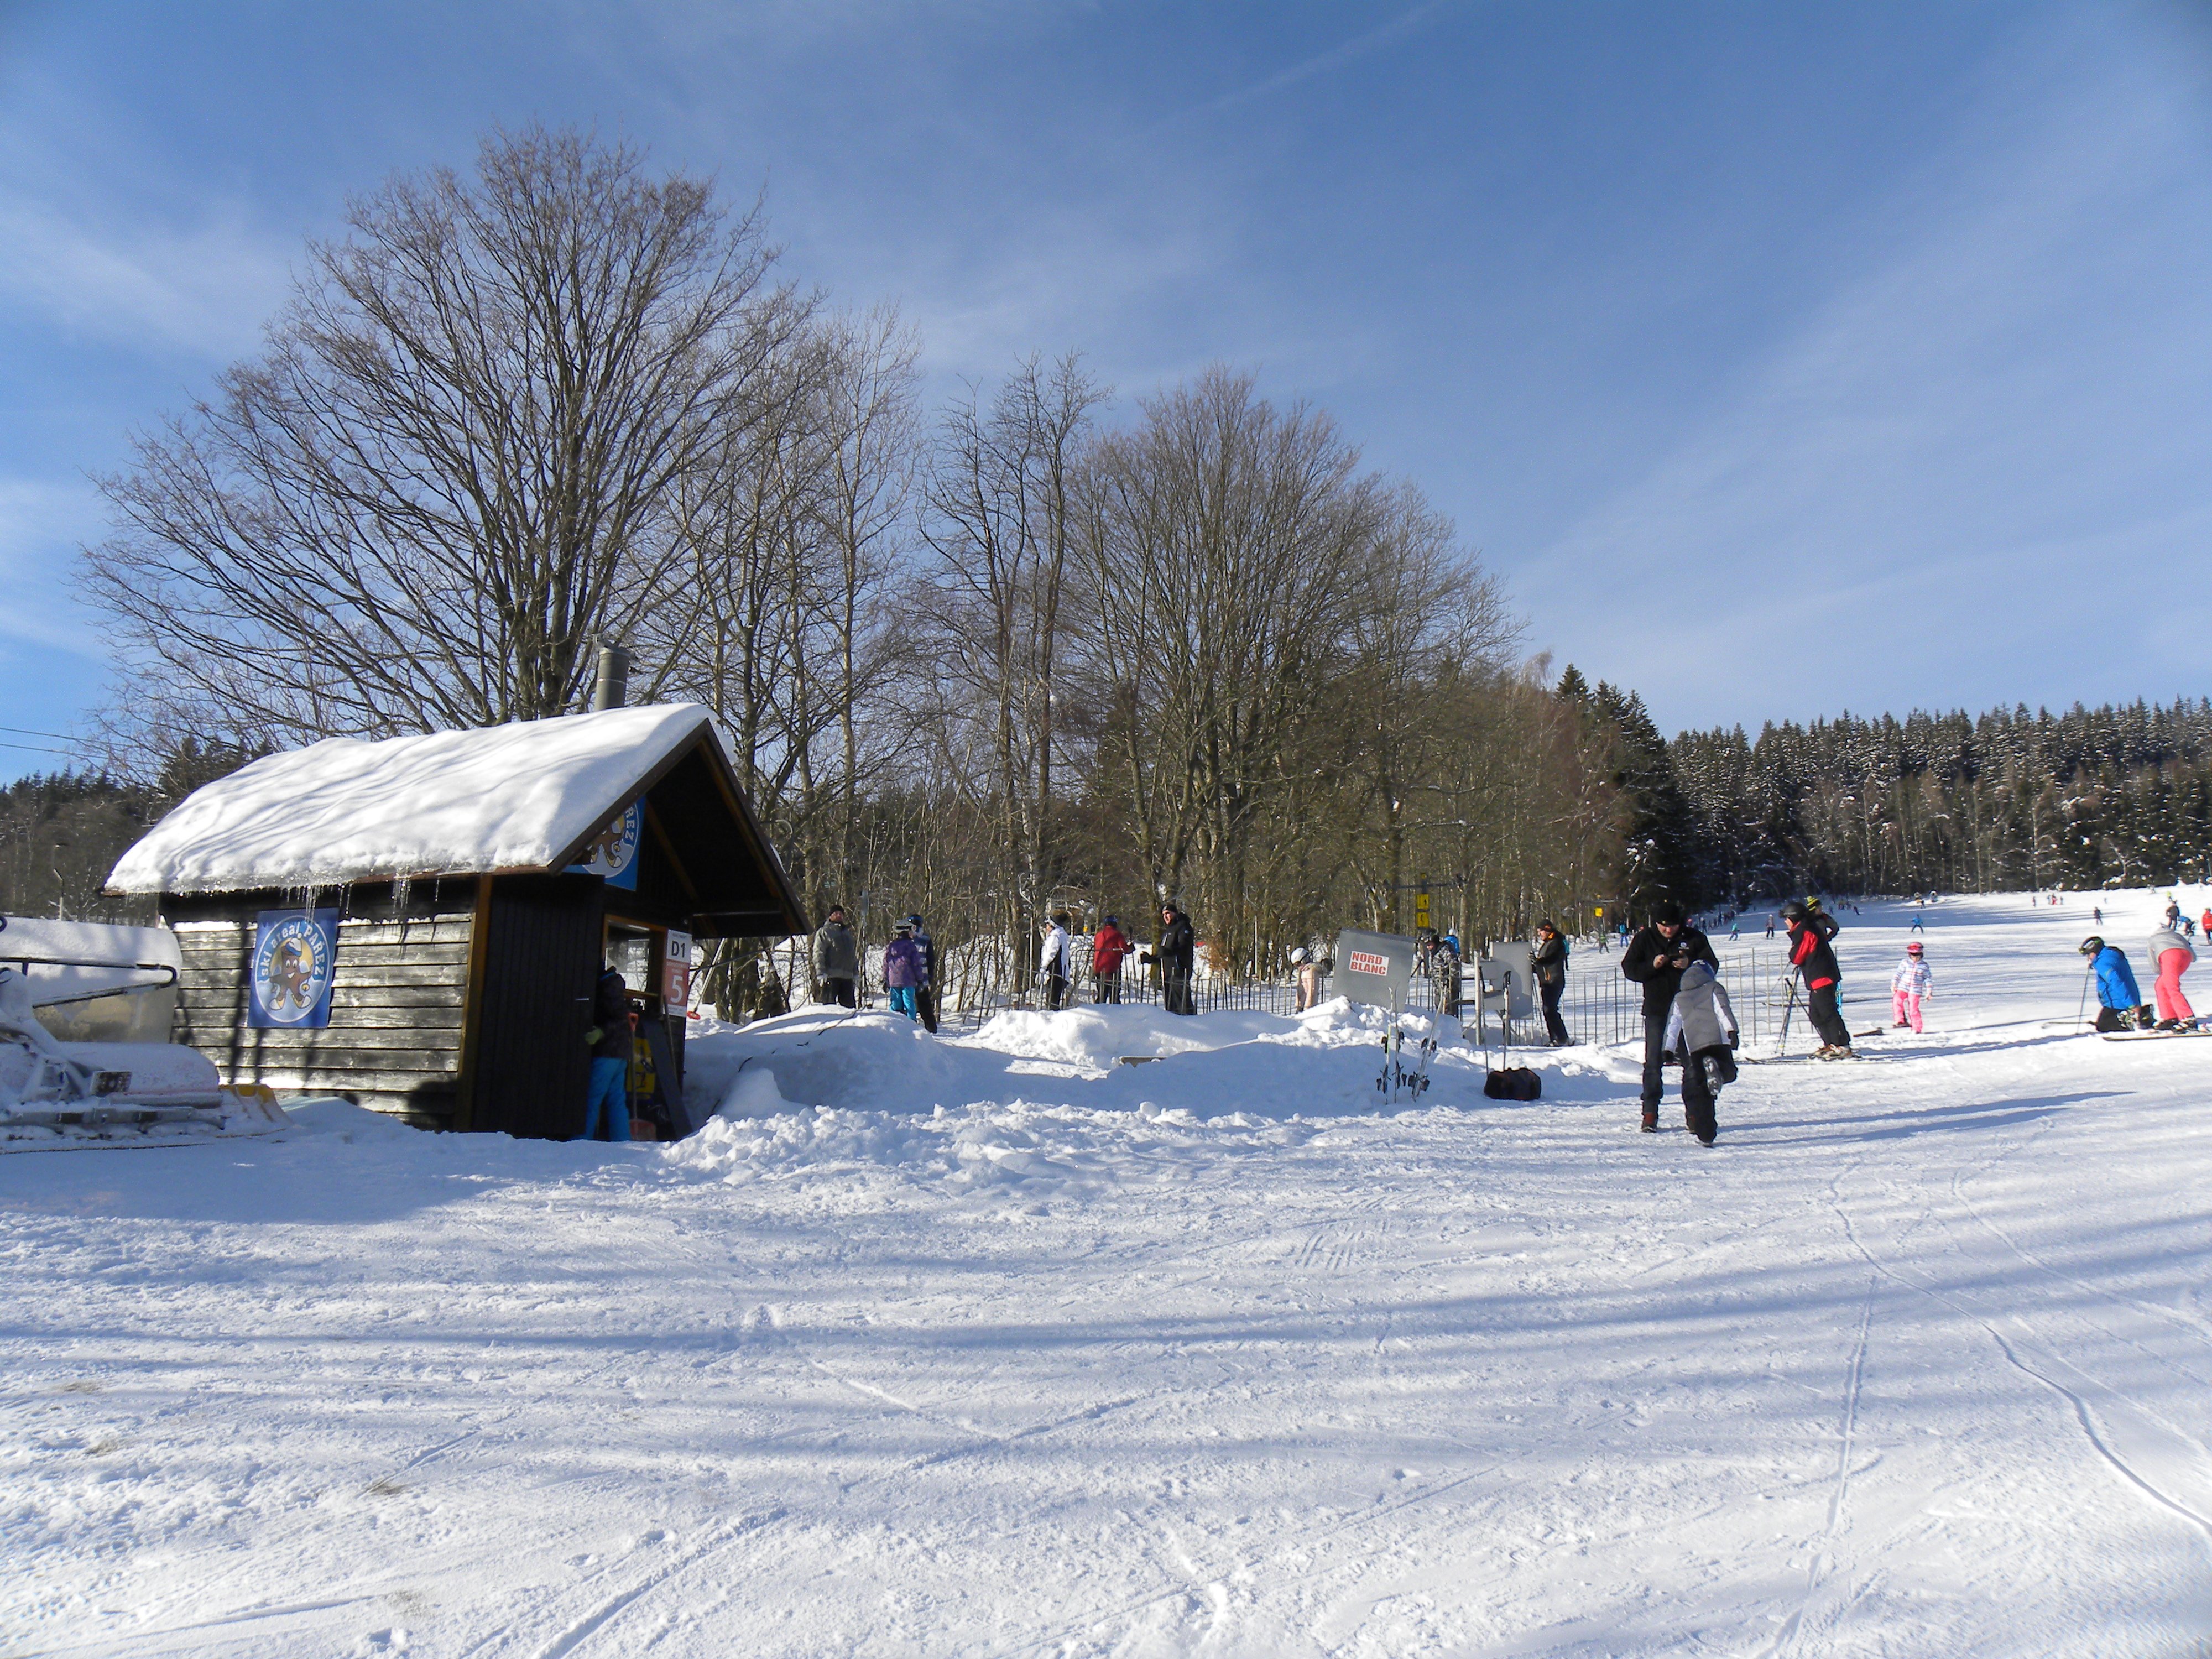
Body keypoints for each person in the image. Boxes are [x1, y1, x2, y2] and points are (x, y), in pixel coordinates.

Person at [1621, 901, 1719, 1131]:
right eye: (1663, 926)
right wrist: (1651, 966)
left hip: (1689, 1010)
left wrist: (1690, 965)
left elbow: (1711, 965)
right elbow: (1629, 968)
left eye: (1673, 926)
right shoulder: (1644, 940)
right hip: (1657, 1009)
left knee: (1692, 1063)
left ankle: (1694, 1112)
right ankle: (1650, 1111)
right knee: (1653, 1062)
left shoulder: (1695, 938)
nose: (1668, 931)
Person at [1662, 959, 1738, 1145]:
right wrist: (1732, 1031)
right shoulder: (1713, 988)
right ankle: (1718, 1070)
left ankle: (1706, 1134)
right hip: (1717, 1042)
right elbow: (1723, 1011)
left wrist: (1668, 1050)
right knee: (1730, 1073)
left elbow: (1673, 1025)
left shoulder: (1680, 998)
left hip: (1695, 1049)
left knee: (1704, 1092)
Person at [1781, 899, 1852, 1056]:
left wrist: (1793, 952)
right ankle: (1831, 1044)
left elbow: (1797, 956)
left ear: (1794, 918)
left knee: (1828, 1012)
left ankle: (1842, 1046)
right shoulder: (1805, 929)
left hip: (1822, 976)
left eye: (1787, 919)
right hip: (1816, 978)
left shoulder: (1806, 931)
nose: (1785, 922)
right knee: (1816, 1014)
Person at [581, 966, 634, 1142]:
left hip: (606, 1054)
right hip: (621, 1054)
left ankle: (581, 1138)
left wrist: (600, 1032)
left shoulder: (606, 990)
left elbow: (617, 1021)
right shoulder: (615, 988)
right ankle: (622, 1140)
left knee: (592, 1099)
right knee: (616, 1100)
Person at [2080, 936, 2152, 1032]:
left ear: (2095, 951)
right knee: (2102, 1020)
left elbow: (2117, 982)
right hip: (2117, 1001)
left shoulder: (2103, 963)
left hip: (2118, 1003)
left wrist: (2131, 1005)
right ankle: (2142, 1015)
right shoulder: (2109, 956)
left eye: (2089, 954)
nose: (2089, 958)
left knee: (2103, 1025)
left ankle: (2129, 1020)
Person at [1144, 904, 1197, 1015]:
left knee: (1183, 1006)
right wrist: (1151, 959)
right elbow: (1163, 953)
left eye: (1168, 913)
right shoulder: (1169, 931)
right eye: (1163, 915)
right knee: (1171, 1007)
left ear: (1175, 913)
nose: (1165, 917)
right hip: (1168, 974)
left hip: (1179, 971)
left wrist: (1168, 952)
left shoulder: (1184, 927)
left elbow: (1184, 948)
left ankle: (1191, 1026)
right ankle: (1174, 1028)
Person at [2146, 921, 2197, 1030]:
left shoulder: (2153, 939)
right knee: (2161, 985)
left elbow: (2153, 963)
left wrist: (2162, 972)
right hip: (2186, 957)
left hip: (2170, 956)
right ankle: (2170, 1016)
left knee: (2171, 987)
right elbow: (2192, 953)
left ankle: (2188, 1017)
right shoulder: (2176, 935)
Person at [1531, 920, 1571, 1045]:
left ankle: (1561, 1038)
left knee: (1551, 1010)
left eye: (1541, 931)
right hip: (1547, 982)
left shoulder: (1556, 943)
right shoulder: (1548, 943)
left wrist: (1538, 962)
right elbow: (1543, 965)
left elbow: (1552, 959)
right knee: (1548, 1010)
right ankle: (1555, 1038)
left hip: (1554, 981)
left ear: (1547, 929)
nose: (1540, 934)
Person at [811, 905, 859, 1008]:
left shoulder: (847, 934)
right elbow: (818, 952)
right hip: (831, 976)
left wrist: (855, 972)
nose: (839, 915)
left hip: (847, 977)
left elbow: (852, 955)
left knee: (849, 1009)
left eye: (841, 914)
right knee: (830, 1009)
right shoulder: (825, 932)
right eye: (836, 913)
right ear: (830, 916)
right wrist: (820, 972)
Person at [883, 921, 925, 1021]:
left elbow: (886, 963)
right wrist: (920, 978)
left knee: (895, 1002)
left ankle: (894, 1022)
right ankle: (911, 1023)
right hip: (908, 980)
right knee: (909, 1002)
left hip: (894, 980)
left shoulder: (891, 946)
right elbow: (916, 964)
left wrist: (885, 978)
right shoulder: (911, 946)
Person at [906, 914, 940, 1032]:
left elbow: (931, 960)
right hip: (918, 978)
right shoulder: (922, 939)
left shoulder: (909, 939)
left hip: (912, 978)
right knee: (922, 1005)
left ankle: (929, 1029)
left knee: (916, 1004)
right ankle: (930, 1029)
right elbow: (931, 961)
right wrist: (930, 976)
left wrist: (930, 976)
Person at [1891, 940, 1932, 1032]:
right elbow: (1898, 974)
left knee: (1913, 1008)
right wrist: (1894, 983)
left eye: (1918, 955)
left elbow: (1928, 979)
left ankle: (1917, 1027)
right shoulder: (1905, 963)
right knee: (1897, 1000)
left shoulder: (1924, 966)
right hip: (1903, 987)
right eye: (1913, 955)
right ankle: (1900, 1020)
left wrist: (1929, 991)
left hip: (1915, 990)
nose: (1915, 958)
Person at [1091, 914, 1130, 1003]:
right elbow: (1124, 948)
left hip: (1099, 967)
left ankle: (1099, 1012)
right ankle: (1114, 1013)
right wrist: (1130, 948)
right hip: (1113, 967)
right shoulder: (1117, 935)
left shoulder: (1099, 935)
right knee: (1115, 994)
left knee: (1102, 994)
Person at [1039, 911, 1073, 1011]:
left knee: (1053, 1002)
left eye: (1048, 925)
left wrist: (1043, 968)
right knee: (1053, 998)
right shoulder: (1060, 936)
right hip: (1060, 972)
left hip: (1057, 972)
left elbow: (1050, 954)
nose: (1046, 928)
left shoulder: (1055, 937)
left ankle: (1053, 1019)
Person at [1432, 932, 1462, 1016]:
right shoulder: (1435, 952)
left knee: (1449, 1012)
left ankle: (1450, 1028)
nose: (1428, 947)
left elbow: (1454, 965)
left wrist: (1450, 981)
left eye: (1430, 945)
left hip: (1448, 989)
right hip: (1439, 988)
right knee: (1440, 1012)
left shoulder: (1445, 950)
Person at [1292, 945, 1326, 1013]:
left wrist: (1307, 1007)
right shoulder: (1303, 971)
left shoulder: (1311, 971)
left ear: (1303, 960)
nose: (1298, 967)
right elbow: (1301, 990)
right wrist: (1298, 1005)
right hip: (1302, 1006)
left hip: (1307, 1007)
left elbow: (1312, 990)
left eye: (1298, 964)